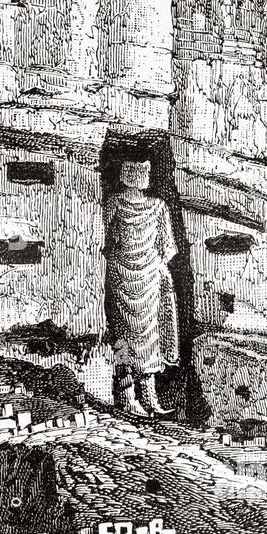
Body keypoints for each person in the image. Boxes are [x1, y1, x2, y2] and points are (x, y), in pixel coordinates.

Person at [103, 158, 179, 415]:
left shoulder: (120, 204)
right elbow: (166, 248)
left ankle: (139, 397)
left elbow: (106, 242)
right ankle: (136, 397)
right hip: (142, 278)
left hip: (130, 278)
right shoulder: (156, 206)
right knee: (143, 337)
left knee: (131, 336)